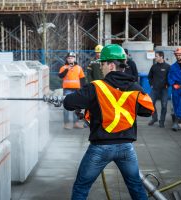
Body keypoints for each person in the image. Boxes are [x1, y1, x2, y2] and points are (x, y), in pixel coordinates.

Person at [63, 44, 154, 200]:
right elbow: (148, 110)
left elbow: (69, 103)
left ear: (111, 65)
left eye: (102, 64)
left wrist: (89, 104)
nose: (101, 67)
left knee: (81, 187)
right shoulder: (135, 87)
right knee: (136, 187)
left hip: (100, 148)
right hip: (126, 148)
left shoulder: (96, 87)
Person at [58, 52, 86, 129]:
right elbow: (60, 76)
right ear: (67, 59)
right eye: (69, 58)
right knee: (66, 106)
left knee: (77, 107)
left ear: (74, 59)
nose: (70, 59)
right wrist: (67, 69)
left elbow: (82, 79)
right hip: (67, 90)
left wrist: (83, 89)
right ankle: (66, 123)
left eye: (72, 58)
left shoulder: (79, 68)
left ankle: (76, 123)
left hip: (77, 90)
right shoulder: (63, 67)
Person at [147, 51, 170, 128]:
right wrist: (151, 84)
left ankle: (162, 121)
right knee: (150, 103)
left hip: (164, 89)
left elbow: (170, 78)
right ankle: (154, 118)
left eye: (156, 56)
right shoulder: (154, 67)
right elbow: (149, 76)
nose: (155, 58)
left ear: (161, 57)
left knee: (164, 105)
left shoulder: (167, 67)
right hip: (155, 89)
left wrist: (168, 84)